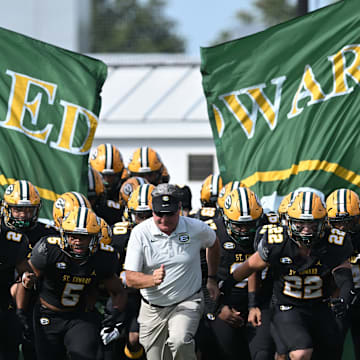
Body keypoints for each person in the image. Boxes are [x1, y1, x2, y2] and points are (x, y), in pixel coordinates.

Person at [228, 191, 354, 360]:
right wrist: (223, 287)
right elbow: (250, 266)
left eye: (312, 224)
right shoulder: (277, 241)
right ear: (289, 222)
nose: (306, 231)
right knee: (300, 353)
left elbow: (344, 276)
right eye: (300, 224)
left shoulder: (334, 241)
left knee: (329, 353)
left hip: (321, 306)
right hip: (288, 306)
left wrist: (343, 300)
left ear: (323, 222)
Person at [124, 183, 220, 360]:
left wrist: (212, 279)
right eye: (159, 214)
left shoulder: (195, 227)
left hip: (187, 300)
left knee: (179, 341)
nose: (164, 219)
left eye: (170, 214)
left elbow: (213, 244)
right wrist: (151, 280)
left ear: (180, 209)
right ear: (152, 210)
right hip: (153, 308)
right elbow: (130, 278)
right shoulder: (140, 233)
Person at [17, 206, 127, 360]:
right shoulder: (48, 250)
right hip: (47, 313)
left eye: (84, 237)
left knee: (84, 355)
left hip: (79, 316)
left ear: (95, 237)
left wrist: (113, 319)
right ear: (63, 235)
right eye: (72, 236)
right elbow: (24, 283)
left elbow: (118, 291)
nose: (77, 241)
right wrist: (21, 313)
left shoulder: (104, 256)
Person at [326, 188, 360, 359]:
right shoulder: (323, 239)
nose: (343, 228)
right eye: (337, 223)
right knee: (331, 349)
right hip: (337, 299)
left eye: (349, 222)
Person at [89, 143, 127, 225]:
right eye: (102, 176)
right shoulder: (87, 185)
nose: (107, 181)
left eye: (112, 176)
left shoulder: (126, 186)